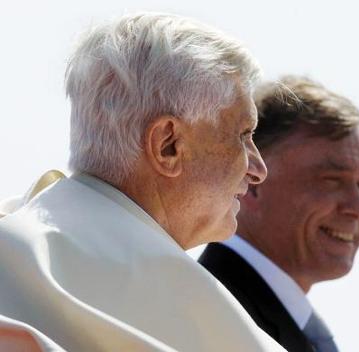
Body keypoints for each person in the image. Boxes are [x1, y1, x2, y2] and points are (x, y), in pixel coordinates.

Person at [0, 12, 289, 352]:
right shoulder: (178, 295)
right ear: (168, 145)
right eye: (242, 136)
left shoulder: (14, 245)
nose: (257, 169)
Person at [199, 75, 359, 352]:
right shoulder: (211, 315)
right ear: (252, 182)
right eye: (331, 180)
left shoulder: (255, 314)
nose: (358, 208)